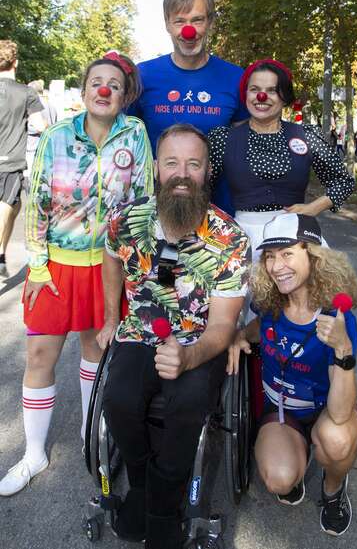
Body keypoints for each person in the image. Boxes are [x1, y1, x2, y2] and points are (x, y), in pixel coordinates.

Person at [0, 52, 154, 496]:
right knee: (39, 357)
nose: (104, 89)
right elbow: (38, 201)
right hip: (57, 268)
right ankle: (33, 453)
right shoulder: (55, 135)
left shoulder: (136, 134)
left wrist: (137, 269)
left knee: (95, 351)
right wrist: (36, 264)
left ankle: (91, 433)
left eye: (114, 84)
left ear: (125, 96)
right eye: (96, 82)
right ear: (85, 90)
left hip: (109, 268)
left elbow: (143, 199)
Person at [98, 123, 251, 548]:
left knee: (187, 404)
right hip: (140, 332)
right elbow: (111, 260)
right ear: (156, 169)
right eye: (172, 163)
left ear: (206, 173)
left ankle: (164, 503)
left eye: (193, 164)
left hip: (199, 339)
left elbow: (223, 326)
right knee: (120, 399)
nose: (182, 173)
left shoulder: (230, 240)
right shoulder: (126, 221)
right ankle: (144, 482)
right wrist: (113, 316)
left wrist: (188, 357)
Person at [228, 212, 357, 537]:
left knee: (336, 438)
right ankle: (293, 457)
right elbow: (260, 327)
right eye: (271, 257)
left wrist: (343, 350)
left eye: (288, 253)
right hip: (280, 410)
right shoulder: (271, 303)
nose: (276, 266)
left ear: (314, 257)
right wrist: (239, 337)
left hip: (326, 409)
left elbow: (342, 413)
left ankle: (332, 489)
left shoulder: (337, 319)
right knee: (279, 477)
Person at [207, 58, 355, 263]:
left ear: (284, 97)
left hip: (295, 235)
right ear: (246, 95)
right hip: (243, 238)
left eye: (272, 90)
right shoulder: (223, 139)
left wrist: (313, 208)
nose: (261, 96)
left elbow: (343, 181)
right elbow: (202, 188)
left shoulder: (306, 135)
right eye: (255, 89)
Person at [127, 0, 248, 212]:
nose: (188, 31)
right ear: (167, 24)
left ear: (210, 22)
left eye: (197, 20)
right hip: (155, 211)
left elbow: (245, 147)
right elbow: (123, 138)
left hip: (217, 213)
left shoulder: (236, 78)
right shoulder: (143, 75)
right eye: (179, 21)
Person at [0, 40, 45, 279]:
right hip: (9, 163)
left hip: (9, 162)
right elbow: (39, 125)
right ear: (15, 62)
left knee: (14, 207)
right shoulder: (25, 92)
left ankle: (1, 255)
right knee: (5, 209)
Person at [26, 80, 58, 181]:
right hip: (48, 147)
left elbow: (36, 127)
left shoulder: (33, 106)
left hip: (33, 147)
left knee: (32, 179)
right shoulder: (52, 106)